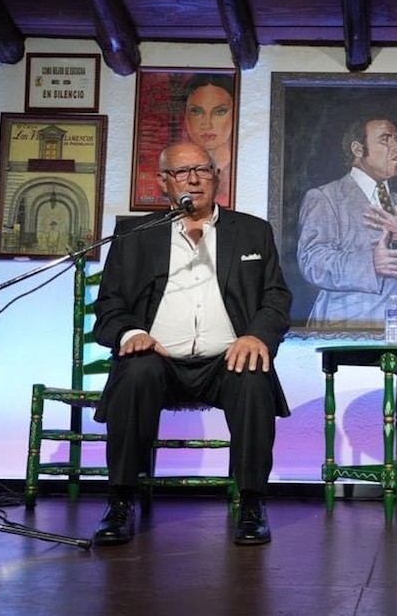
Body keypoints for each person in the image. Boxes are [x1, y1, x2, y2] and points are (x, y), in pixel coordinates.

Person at [91, 141, 292, 547]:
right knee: (135, 371)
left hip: (225, 360)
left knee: (254, 375)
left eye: (203, 169)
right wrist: (132, 334)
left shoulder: (252, 231)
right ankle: (120, 501)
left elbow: (276, 297)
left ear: (218, 177)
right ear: (164, 182)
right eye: (182, 172)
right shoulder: (135, 235)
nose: (194, 179)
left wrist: (256, 336)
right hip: (158, 358)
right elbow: (110, 305)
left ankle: (252, 503)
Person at [296, 114, 397, 328]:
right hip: (344, 335)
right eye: (385, 139)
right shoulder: (325, 197)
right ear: (358, 149)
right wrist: (371, 263)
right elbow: (312, 262)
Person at [181, 74, 235, 207]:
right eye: (196, 112)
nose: (207, 124)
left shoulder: (249, 170)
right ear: (186, 117)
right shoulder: (174, 173)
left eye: (220, 112)